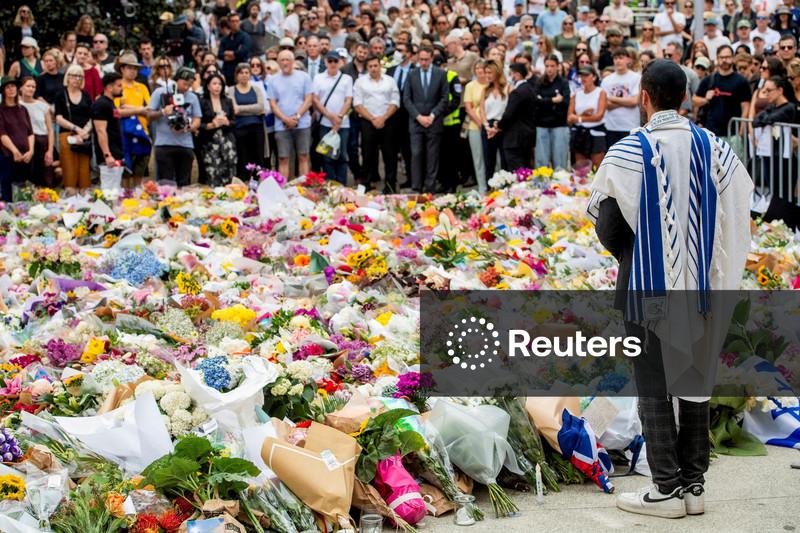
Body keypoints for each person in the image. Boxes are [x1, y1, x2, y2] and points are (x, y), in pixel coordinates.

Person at [588, 59, 753, 520]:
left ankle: (666, 489)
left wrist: (636, 255)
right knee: (695, 378)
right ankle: (694, 485)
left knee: (653, 384)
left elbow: (609, 224)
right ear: (684, 96)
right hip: (702, 284)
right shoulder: (714, 147)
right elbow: (741, 202)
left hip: (646, 284)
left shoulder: (628, 150)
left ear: (643, 96)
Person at [402, 46, 449, 193]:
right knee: (416, 154)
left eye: (426, 60)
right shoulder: (412, 74)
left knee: (432, 155)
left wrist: (433, 115)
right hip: (416, 121)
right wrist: (418, 116)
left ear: (431, 59)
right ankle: (416, 186)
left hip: (433, 121)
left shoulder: (440, 74)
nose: (423, 62)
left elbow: (444, 98)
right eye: (421, 59)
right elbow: (407, 99)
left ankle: (430, 187)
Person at [147, 67, 202, 186]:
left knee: (184, 182)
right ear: (177, 80)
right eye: (184, 83)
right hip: (164, 144)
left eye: (190, 84)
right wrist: (162, 112)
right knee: (165, 183)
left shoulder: (192, 97)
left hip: (185, 144)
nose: (187, 87)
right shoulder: (160, 92)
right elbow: (149, 115)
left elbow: (197, 118)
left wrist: (189, 127)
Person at [354, 54, 400, 191]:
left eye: (376, 66)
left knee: (390, 155)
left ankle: (390, 186)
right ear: (367, 67)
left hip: (388, 121)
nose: (373, 69)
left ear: (380, 66)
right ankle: (366, 185)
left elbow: (395, 102)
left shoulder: (390, 81)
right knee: (368, 154)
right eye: (370, 66)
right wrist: (373, 119)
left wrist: (383, 118)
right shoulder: (360, 82)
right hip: (368, 122)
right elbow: (357, 104)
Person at [267, 49, 313, 178]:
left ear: (293, 61)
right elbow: (273, 104)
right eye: (282, 60)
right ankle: (283, 191)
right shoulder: (273, 80)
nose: (285, 62)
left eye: (288, 59)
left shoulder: (304, 77)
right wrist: (285, 119)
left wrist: (297, 117)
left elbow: (309, 99)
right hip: (281, 125)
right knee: (283, 158)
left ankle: (303, 189)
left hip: (302, 123)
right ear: (278, 62)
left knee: (303, 156)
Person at [313, 51, 354, 186]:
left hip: (343, 124)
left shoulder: (346, 78)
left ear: (340, 62)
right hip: (325, 123)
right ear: (325, 62)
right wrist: (329, 115)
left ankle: (342, 187)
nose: (332, 64)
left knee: (342, 156)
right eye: (330, 61)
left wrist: (339, 117)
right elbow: (315, 99)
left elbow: (348, 100)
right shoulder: (318, 78)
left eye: (335, 61)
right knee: (327, 157)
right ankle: (330, 186)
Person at [693, 44, 752, 138]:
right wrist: (706, 100)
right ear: (717, 59)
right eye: (722, 57)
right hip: (711, 133)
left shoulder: (741, 81)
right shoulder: (709, 80)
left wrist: (741, 130)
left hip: (732, 133)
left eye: (727, 57)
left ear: (733, 58)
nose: (724, 60)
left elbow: (745, 107)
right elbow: (694, 100)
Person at [55, 65, 93, 195]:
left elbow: (92, 117)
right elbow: (58, 118)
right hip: (67, 135)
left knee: (84, 173)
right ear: (68, 77)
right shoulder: (61, 94)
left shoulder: (86, 95)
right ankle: (70, 203)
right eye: (74, 75)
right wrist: (77, 129)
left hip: (84, 137)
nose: (77, 79)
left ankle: (85, 203)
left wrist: (85, 132)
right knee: (69, 172)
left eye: (80, 76)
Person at [199, 72, 237, 186]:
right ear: (208, 86)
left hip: (227, 141)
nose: (217, 86)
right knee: (213, 171)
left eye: (220, 84)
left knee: (229, 169)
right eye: (214, 83)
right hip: (210, 142)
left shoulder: (228, 101)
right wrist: (211, 124)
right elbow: (198, 123)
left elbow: (234, 122)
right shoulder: (202, 102)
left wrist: (227, 122)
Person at [228, 63, 266, 177]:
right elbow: (234, 109)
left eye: (246, 73)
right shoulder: (231, 90)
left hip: (257, 128)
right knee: (242, 157)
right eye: (241, 73)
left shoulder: (256, 89)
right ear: (236, 75)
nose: (244, 75)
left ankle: (258, 183)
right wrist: (252, 109)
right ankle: (243, 183)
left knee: (258, 157)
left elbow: (260, 106)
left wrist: (241, 108)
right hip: (240, 129)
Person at [533, 54, 570, 169]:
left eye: (552, 66)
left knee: (559, 160)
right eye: (547, 66)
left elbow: (565, 103)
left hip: (559, 124)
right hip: (542, 124)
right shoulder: (539, 82)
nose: (549, 69)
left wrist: (544, 101)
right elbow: (535, 102)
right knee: (541, 160)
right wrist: (553, 100)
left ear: (558, 66)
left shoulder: (563, 83)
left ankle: (561, 185)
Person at [498, 62, 537, 171]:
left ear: (518, 75)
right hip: (527, 136)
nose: (510, 77)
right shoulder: (530, 89)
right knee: (526, 168)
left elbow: (508, 115)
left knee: (517, 171)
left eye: (511, 74)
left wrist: (499, 125)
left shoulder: (517, 93)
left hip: (515, 138)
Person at [0, 77, 34, 200]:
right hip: (8, 155)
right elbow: (2, 134)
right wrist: (15, 151)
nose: (11, 89)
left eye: (13, 86)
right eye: (7, 87)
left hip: (26, 155)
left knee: (26, 189)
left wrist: (31, 151)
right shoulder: (1, 110)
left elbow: (30, 132)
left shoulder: (23, 109)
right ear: (3, 91)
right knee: (8, 189)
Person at [387, 42, 416, 185]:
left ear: (409, 54)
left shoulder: (415, 70)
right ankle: (390, 181)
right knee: (391, 150)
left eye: (401, 50)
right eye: (396, 50)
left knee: (408, 150)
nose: (397, 53)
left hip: (408, 116)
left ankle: (411, 179)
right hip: (391, 115)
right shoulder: (390, 70)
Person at [567, 65, 607, 168]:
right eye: (581, 75)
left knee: (597, 168)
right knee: (581, 169)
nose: (583, 78)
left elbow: (599, 116)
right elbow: (569, 118)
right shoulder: (576, 94)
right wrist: (584, 114)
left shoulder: (600, 92)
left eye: (586, 75)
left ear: (594, 77)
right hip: (580, 133)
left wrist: (578, 118)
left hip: (596, 133)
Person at [601, 48, 640, 148]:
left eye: (621, 58)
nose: (618, 61)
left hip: (630, 126)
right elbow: (605, 104)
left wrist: (611, 98)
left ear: (628, 60)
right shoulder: (607, 80)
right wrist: (626, 101)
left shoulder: (636, 78)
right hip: (611, 126)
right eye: (615, 58)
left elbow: (634, 101)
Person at [19, 77, 54, 188]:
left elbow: (50, 130)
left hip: (42, 142)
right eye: (28, 86)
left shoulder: (42, 106)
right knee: (28, 176)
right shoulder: (17, 106)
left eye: (33, 86)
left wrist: (50, 150)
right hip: (25, 142)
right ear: (21, 88)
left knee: (45, 177)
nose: (31, 89)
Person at [480, 60, 509, 183]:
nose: (487, 75)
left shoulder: (508, 88)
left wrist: (499, 127)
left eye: (490, 72)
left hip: (503, 126)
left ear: (497, 72)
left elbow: (510, 109)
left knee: (505, 159)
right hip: (488, 126)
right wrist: (487, 126)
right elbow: (481, 110)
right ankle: (490, 188)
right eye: (486, 73)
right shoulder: (485, 90)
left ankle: (506, 188)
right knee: (489, 161)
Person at [463, 60, 488, 194]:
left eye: (482, 68)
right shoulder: (470, 86)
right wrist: (479, 122)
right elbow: (468, 107)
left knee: (493, 158)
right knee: (478, 158)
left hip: (490, 125)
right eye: (477, 68)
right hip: (475, 126)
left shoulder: (491, 84)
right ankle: (482, 187)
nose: (480, 71)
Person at [218, 12, 253, 85]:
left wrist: (229, 53)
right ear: (229, 23)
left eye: (237, 21)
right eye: (232, 21)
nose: (235, 23)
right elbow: (220, 54)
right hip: (227, 72)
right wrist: (235, 53)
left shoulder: (245, 37)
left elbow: (243, 52)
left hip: (241, 71)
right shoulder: (225, 39)